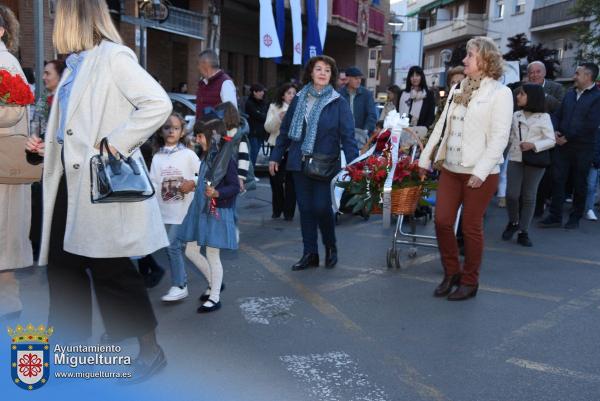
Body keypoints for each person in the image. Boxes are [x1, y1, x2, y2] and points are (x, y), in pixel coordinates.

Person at [25, 0, 170, 381]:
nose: (55, 19)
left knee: (111, 271)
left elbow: (158, 104)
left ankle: (151, 351)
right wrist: (47, 147)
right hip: (66, 189)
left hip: (97, 188)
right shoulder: (74, 65)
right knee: (63, 270)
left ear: (75, 17)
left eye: (58, 13)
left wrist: (116, 143)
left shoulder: (113, 58)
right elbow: (72, 129)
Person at [418, 37, 513, 301]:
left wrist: (480, 172)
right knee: (442, 221)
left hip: (479, 173)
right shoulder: (459, 87)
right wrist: (425, 159)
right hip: (450, 168)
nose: (465, 60)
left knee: (471, 228)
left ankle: (471, 281)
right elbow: (441, 126)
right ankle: (452, 273)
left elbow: (499, 138)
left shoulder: (500, 93)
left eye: (470, 55)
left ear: (484, 60)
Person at [269, 55, 358, 271]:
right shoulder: (298, 99)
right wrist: (275, 156)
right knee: (306, 209)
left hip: (325, 163)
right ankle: (310, 253)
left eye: (327, 70)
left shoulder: (338, 102)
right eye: (319, 69)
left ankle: (330, 246)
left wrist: (355, 166)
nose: (322, 73)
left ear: (332, 76)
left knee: (321, 207)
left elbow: (348, 137)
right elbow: (285, 131)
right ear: (311, 72)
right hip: (299, 163)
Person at [178, 115, 240, 313]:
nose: (198, 140)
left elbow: (234, 187)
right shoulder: (210, 155)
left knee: (213, 254)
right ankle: (215, 283)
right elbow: (205, 179)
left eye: (201, 136)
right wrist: (194, 184)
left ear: (212, 137)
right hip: (200, 209)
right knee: (191, 251)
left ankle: (215, 297)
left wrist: (218, 193)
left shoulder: (225, 158)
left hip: (216, 211)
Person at [539, 63, 600, 229]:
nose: (574, 76)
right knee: (558, 180)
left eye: (577, 74)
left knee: (579, 183)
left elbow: (590, 124)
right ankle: (555, 216)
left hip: (583, 148)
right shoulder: (570, 94)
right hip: (562, 146)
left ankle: (575, 217)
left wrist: (568, 137)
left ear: (588, 77)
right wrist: (556, 131)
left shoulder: (597, 97)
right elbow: (558, 114)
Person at [0, 5, 32, 321]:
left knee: (4, 238)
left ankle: (10, 306)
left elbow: (14, 109)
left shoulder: (5, 62)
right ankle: (9, 304)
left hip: (3, 164)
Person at [150, 113, 200, 302]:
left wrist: (192, 183)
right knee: (177, 249)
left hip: (184, 211)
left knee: (173, 246)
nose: (171, 131)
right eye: (167, 127)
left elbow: (203, 174)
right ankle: (215, 282)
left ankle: (180, 285)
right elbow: (154, 184)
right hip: (165, 212)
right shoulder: (157, 157)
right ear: (161, 131)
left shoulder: (188, 154)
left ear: (182, 132)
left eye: (176, 128)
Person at [502, 84, 555, 247]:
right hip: (516, 158)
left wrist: (533, 145)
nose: (518, 96)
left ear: (531, 97)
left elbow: (551, 140)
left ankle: (523, 232)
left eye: (522, 94)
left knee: (529, 196)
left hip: (535, 160)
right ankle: (513, 221)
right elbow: (509, 138)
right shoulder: (516, 115)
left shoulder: (544, 117)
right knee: (511, 194)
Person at [265, 82, 298, 220]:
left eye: (294, 93)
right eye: (289, 93)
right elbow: (268, 127)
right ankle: (277, 209)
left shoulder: (300, 108)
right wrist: (279, 117)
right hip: (276, 147)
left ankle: (289, 212)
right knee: (276, 180)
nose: (291, 96)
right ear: (283, 95)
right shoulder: (274, 107)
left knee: (292, 181)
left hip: (293, 149)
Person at [339, 67, 377, 149]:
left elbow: (372, 115)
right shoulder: (339, 94)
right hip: (342, 136)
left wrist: (366, 130)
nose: (359, 81)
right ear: (348, 79)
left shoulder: (367, 94)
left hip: (362, 136)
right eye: (356, 78)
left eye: (360, 78)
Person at [195, 49, 237, 119]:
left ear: (205, 64)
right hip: (202, 129)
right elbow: (199, 112)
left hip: (217, 130)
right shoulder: (203, 84)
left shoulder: (225, 83)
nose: (198, 67)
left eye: (198, 64)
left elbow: (231, 116)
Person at [399, 66, 436, 132]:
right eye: (412, 76)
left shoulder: (429, 95)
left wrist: (423, 130)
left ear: (422, 77)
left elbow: (431, 116)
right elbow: (397, 112)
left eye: (417, 75)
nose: (414, 78)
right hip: (403, 131)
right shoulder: (403, 94)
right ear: (409, 78)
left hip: (421, 133)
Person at [245, 83, 268, 168]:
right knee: (252, 154)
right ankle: (249, 174)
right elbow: (260, 116)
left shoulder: (263, 103)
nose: (262, 93)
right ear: (254, 92)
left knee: (255, 153)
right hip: (253, 133)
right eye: (260, 91)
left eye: (262, 91)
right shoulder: (250, 103)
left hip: (261, 133)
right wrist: (263, 115)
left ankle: (251, 173)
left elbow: (265, 115)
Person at [584, 127, 600, 220]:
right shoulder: (596, 131)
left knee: (591, 186)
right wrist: (594, 160)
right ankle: (589, 209)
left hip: (595, 161)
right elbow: (595, 146)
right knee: (591, 186)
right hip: (595, 162)